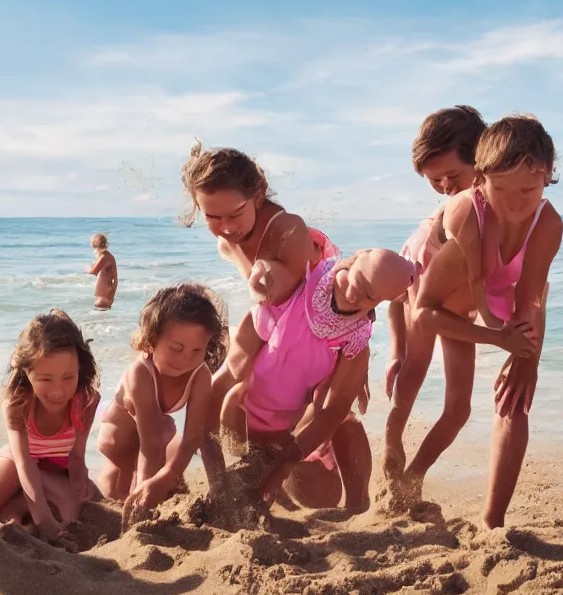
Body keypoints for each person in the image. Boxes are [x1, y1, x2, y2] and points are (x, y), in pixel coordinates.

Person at [403, 114, 563, 529]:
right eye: (500, 189)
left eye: (528, 190)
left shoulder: (548, 224)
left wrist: (528, 356)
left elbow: (530, 298)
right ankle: (406, 478)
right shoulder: (469, 219)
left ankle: (492, 520)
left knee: (517, 397)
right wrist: (496, 337)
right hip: (442, 301)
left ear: (547, 177)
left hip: (496, 296)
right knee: (446, 397)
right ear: (481, 180)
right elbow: (425, 311)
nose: (514, 204)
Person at [177, 142, 344, 484]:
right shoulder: (227, 240)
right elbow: (266, 306)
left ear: (258, 195)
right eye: (212, 216)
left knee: (320, 461)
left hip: (313, 335)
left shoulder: (288, 230)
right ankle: (216, 478)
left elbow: (301, 298)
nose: (225, 226)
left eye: (234, 214)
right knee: (217, 387)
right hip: (268, 323)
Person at [218, 249, 419, 512]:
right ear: (351, 261)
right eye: (353, 280)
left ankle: (357, 507)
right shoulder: (300, 283)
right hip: (241, 417)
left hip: (287, 433)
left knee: (325, 495)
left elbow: (333, 410)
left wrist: (288, 459)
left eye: (368, 295)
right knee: (230, 401)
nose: (351, 295)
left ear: (379, 301)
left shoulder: (355, 341)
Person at [384, 105, 487, 479]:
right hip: (424, 291)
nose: (445, 187)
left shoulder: (497, 202)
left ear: (482, 157)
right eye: (434, 180)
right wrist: (396, 350)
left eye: (451, 175)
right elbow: (397, 294)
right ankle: (392, 440)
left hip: (458, 310)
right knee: (414, 369)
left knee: (459, 410)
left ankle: (414, 477)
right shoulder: (444, 223)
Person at [0, 309, 100, 539]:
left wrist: (81, 479)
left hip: (56, 473)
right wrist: (44, 520)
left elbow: (77, 457)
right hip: (17, 468)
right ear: (26, 371)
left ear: (80, 369)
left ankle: (17, 507)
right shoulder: (17, 404)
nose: (58, 391)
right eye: (45, 379)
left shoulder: (87, 400)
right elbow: (23, 463)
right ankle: (18, 505)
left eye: (68, 377)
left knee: (68, 519)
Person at [96, 283, 228, 510]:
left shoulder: (200, 375)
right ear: (152, 339)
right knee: (119, 492)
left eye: (197, 351)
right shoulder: (141, 373)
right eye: (177, 348)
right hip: (119, 437)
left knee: (167, 454)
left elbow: (193, 436)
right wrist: (146, 502)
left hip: (157, 430)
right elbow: (150, 445)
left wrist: (169, 475)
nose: (185, 359)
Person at [85, 233, 118, 310]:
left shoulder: (104, 257)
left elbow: (93, 271)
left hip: (104, 295)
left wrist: (85, 269)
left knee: (99, 315)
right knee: (102, 318)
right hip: (106, 293)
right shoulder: (106, 256)